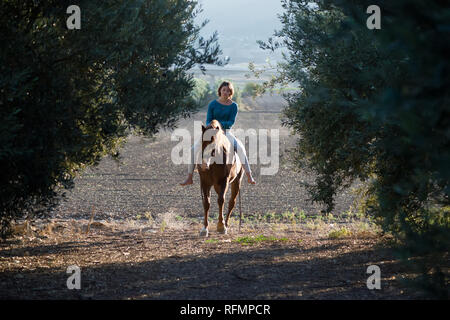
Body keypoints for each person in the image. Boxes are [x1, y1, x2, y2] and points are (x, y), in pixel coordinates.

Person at [180, 81, 256, 186]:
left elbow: (231, 122)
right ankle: (189, 177)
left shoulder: (234, 106)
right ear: (220, 90)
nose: (225, 92)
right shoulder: (213, 104)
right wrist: (212, 128)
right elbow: (208, 120)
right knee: (193, 149)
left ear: (231, 92)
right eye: (224, 90)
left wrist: (219, 126)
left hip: (226, 132)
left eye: (228, 91)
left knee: (240, 149)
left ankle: (249, 175)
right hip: (211, 132)